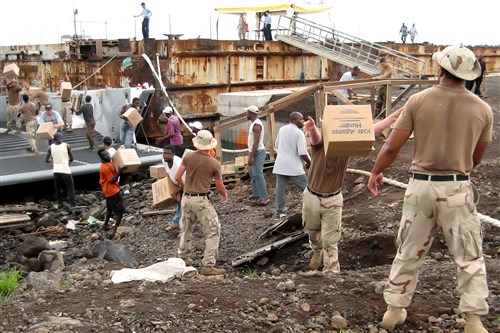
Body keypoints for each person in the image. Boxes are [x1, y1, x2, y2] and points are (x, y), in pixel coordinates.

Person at [367, 45, 492, 332]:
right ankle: (473, 320)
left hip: (420, 188)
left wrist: (376, 172)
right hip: (456, 188)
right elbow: (476, 158)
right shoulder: (483, 110)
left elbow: (390, 147)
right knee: (468, 254)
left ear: (440, 70)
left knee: (408, 250)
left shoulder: (418, 101)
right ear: (468, 75)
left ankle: (394, 309)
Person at [303, 110, 401, 274]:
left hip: (332, 200)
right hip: (312, 197)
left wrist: (392, 117)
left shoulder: (345, 146)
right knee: (312, 232)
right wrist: (312, 128)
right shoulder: (321, 144)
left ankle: (331, 272)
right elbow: (316, 138)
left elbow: (372, 130)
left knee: (330, 239)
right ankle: (316, 251)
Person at [175, 130, 229, 276]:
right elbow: (219, 186)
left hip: (187, 198)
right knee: (213, 231)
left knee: (186, 229)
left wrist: (186, 187)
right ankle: (208, 265)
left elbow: (177, 176)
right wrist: (224, 195)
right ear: (210, 146)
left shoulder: (188, 156)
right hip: (201, 200)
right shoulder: (214, 163)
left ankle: (183, 257)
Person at [273, 112, 310, 218]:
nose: (303, 122)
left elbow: (277, 145)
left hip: (281, 164)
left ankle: (281, 211)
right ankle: (316, 206)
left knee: (280, 189)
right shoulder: (299, 133)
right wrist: (309, 163)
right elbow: (302, 152)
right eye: (301, 119)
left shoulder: (282, 129)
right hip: (294, 166)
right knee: (307, 188)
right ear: (294, 120)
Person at [97, 148, 126, 238]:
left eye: (108, 154)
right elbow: (112, 180)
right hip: (112, 191)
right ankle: (114, 231)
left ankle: (105, 225)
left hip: (108, 191)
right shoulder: (105, 167)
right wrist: (120, 172)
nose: (108, 155)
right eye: (105, 155)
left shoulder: (109, 162)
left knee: (109, 210)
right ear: (101, 157)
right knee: (120, 211)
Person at [245, 105, 270, 206]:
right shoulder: (254, 124)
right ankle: (256, 193)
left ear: (251, 114)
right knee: (252, 173)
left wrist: (251, 156)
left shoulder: (257, 126)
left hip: (258, 152)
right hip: (253, 151)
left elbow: (256, 142)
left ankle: (265, 198)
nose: (246, 114)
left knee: (258, 174)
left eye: (247, 113)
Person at [45, 133, 76, 208]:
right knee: (70, 187)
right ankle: (72, 204)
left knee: (58, 188)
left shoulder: (50, 147)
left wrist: (51, 161)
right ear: (61, 138)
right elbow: (72, 158)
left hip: (56, 170)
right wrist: (68, 163)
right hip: (66, 170)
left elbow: (46, 160)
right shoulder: (67, 145)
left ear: (53, 140)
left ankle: (60, 203)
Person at [162, 145, 185, 232]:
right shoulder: (164, 160)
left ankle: (182, 227)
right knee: (179, 204)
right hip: (176, 182)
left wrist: (175, 193)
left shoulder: (178, 164)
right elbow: (168, 173)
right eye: (164, 153)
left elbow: (184, 184)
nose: (166, 156)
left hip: (185, 182)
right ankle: (176, 224)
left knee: (183, 204)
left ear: (173, 154)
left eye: (169, 154)